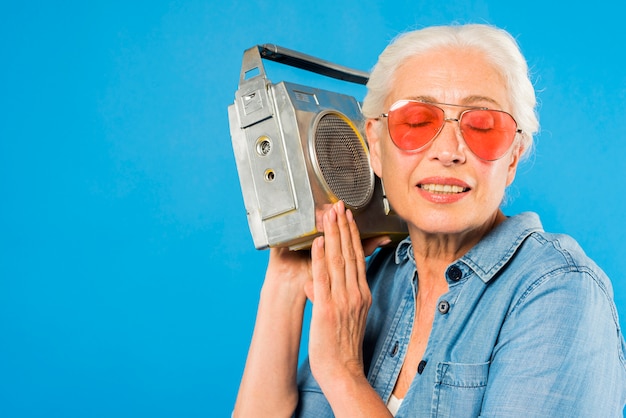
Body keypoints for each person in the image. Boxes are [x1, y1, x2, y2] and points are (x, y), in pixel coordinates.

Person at [232, 23, 626, 417]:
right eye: (417, 122)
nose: (448, 151)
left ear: (513, 158)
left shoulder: (560, 293)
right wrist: (284, 283)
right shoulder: (373, 282)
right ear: (375, 146)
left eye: (483, 126)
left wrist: (343, 371)